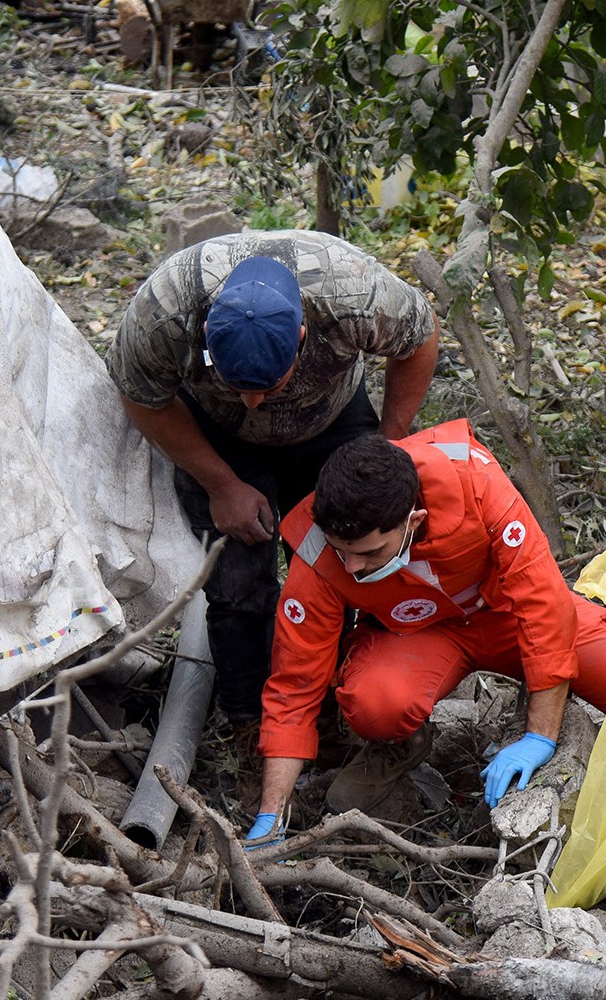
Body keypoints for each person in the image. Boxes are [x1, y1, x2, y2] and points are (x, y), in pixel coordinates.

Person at [243, 422, 606, 842]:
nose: (355, 570)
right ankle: (400, 749)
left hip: (507, 614)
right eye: (345, 556)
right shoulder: (322, 551)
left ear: (411, 521)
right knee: (376, 702)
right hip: (418, 636)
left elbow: (543, 607)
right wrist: (272, 814)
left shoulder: (476, 484)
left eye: (369, 554)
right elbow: (295, 683)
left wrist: (540, 734)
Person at [108, 231, 440, 734]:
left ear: (303, 338)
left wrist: (390, 442)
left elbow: (419, 337)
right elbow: (140, 396)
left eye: (268, 387)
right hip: (217, 438)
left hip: (331, 421)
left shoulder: (352, 294)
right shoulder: (165, 311)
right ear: (203, 332)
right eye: (237, 385)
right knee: (237, 581)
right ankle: (248, 721)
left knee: (345, 562)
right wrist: (221, 484)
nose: (253, 403)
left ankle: (332, 706)